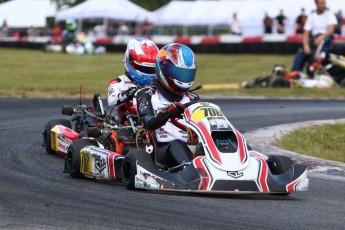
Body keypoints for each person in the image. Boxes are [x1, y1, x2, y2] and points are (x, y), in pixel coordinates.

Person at [134, 43, 200, 169]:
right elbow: (148, 122)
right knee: (177, 145)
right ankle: (193, 172)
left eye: (186, 73)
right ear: (164, 70)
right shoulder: (146, 94)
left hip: (190, 148)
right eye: (178, 72)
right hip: (160, 150)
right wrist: (167, 113)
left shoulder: (192, 98)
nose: (183, 78)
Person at [107, 37, 159, 119]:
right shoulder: (119, 82)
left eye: (151, 69)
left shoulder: (159, 84)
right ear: (129, 61)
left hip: (156, 123)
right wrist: (125, 94)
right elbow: (111, 100)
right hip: (129, 126)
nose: (147, 72)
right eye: (143, 68)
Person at [291, 0, 337, 75]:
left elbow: (331, 30)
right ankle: (295, 74)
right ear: (316, 4)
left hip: (326, 40)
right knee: (300, 56)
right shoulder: (312, 16)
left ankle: (313, 74)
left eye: (324, 3)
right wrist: (306, 46)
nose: (323, 5)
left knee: (316, 57)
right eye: (321, 3)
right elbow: (306, 33)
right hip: (314, 39)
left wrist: (321, 37)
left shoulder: (330, 14)